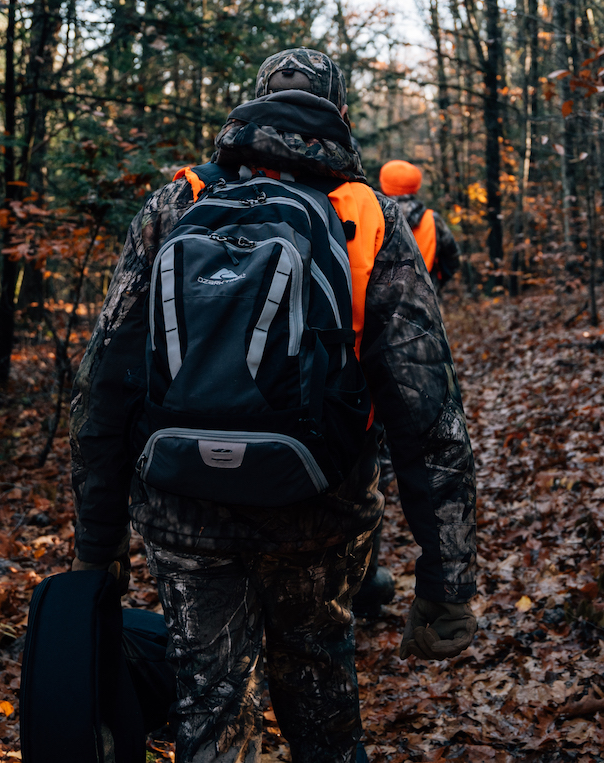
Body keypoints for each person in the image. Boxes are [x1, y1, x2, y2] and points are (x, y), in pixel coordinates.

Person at [69, 48, 479, 763]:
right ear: (339, 114)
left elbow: (104, 384)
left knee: (211, 699)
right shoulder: (371, 218)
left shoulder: (176, 205)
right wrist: (446, 582)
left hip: (181, 509)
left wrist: (97, 552)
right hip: (319, 507)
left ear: (248, 109)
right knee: (320, 691)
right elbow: (428, 411)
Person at [376, 160, 460, 289]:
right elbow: (452, 259)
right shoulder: (432, 219)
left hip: (379, 302)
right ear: (416, 187)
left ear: (383, 186)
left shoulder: (375, 217)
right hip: (424, 300)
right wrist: (433, 284)